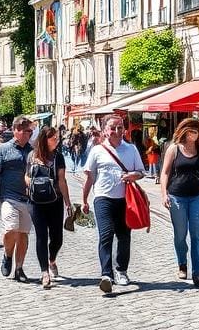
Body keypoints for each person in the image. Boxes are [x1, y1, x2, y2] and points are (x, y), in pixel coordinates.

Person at [81, 115, 144, 293]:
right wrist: (84, 199)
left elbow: (141, 172)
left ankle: (121, 270)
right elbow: (90, 177)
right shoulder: (97, 151)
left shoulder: (131, 149)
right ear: (105, 131)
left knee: (124, 236)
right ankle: (106, 274)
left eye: (120, 128)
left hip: (125, 199)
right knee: (106, 234)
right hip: (103, 198)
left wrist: (133, 175)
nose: (117, 131)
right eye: (113, 128)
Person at [160, 117, 199, 287]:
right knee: (180, 235)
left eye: (197, 132)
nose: (194, 135)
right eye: (192, 132)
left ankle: (197, 272)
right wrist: (163, 194)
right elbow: (165, 173)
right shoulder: (174, 149)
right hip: (177, 196)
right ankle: (182, 262)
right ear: (184, 131)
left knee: (197, 235)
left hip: (198, 196)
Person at [0, 115, 35, 282]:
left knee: (23, 234)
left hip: (29, 200)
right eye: (26, 131)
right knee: (11, 229)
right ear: (16, 131)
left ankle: (19, 268)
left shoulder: (33, 151)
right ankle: (8, 255)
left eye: (30, 131)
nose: (29, 134)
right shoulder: (4, 149)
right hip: (9, 197)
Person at [25, 125, 72, 288]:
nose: (57, 141)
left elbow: (61, 180)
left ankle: (52, 259)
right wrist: (32, 184)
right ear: (45, 140)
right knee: (41, 236)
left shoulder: (58, 157)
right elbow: (26, 175)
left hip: (55, 201)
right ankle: (44, 272)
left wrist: (67, 202)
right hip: (36, 202)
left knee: (57, 237)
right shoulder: (32, 156)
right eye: (54, 139)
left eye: (58, 138)